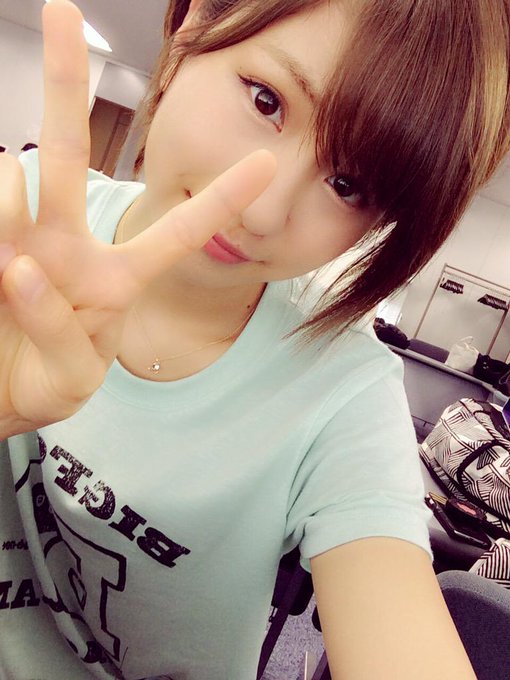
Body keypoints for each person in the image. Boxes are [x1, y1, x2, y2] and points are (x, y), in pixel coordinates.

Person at [0, 0, 508, 677]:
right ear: (191, 25)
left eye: (347, 184)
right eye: (266, 100)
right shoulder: (18, 223)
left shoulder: (342, 393)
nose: (262, 210)